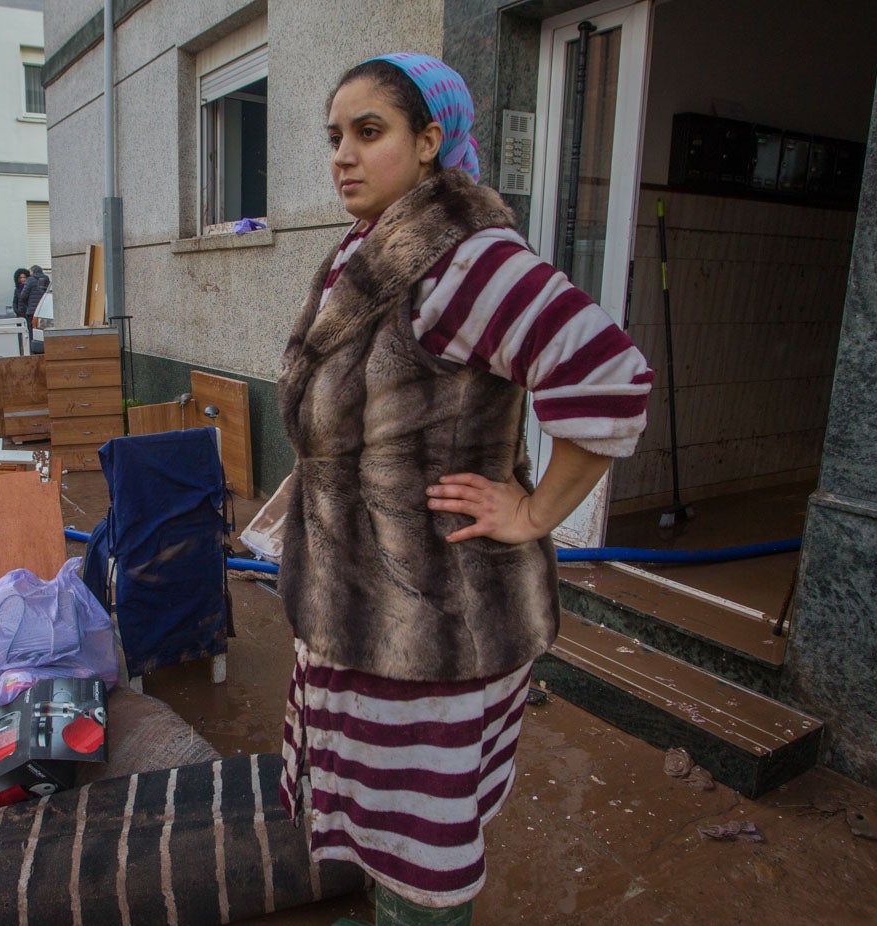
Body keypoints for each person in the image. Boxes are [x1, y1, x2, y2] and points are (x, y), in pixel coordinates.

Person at [276, 54, 654, 925]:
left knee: (422, 840)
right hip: (361, 609)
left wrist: (532, 511)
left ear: (429, 142)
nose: (342, 154)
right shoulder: (365, 253)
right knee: (381, 815)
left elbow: (607, 374)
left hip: (431, 620)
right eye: (334, 135)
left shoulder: (462, 261)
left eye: (369, 132)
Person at [17, 264, 50, 338]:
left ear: (32, 272)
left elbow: (23, 296)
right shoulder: (47, 279)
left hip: (32, 311)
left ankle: (32, 347)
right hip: (45, 310)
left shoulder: (30, 280)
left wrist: (27, 305)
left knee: (32, 332)